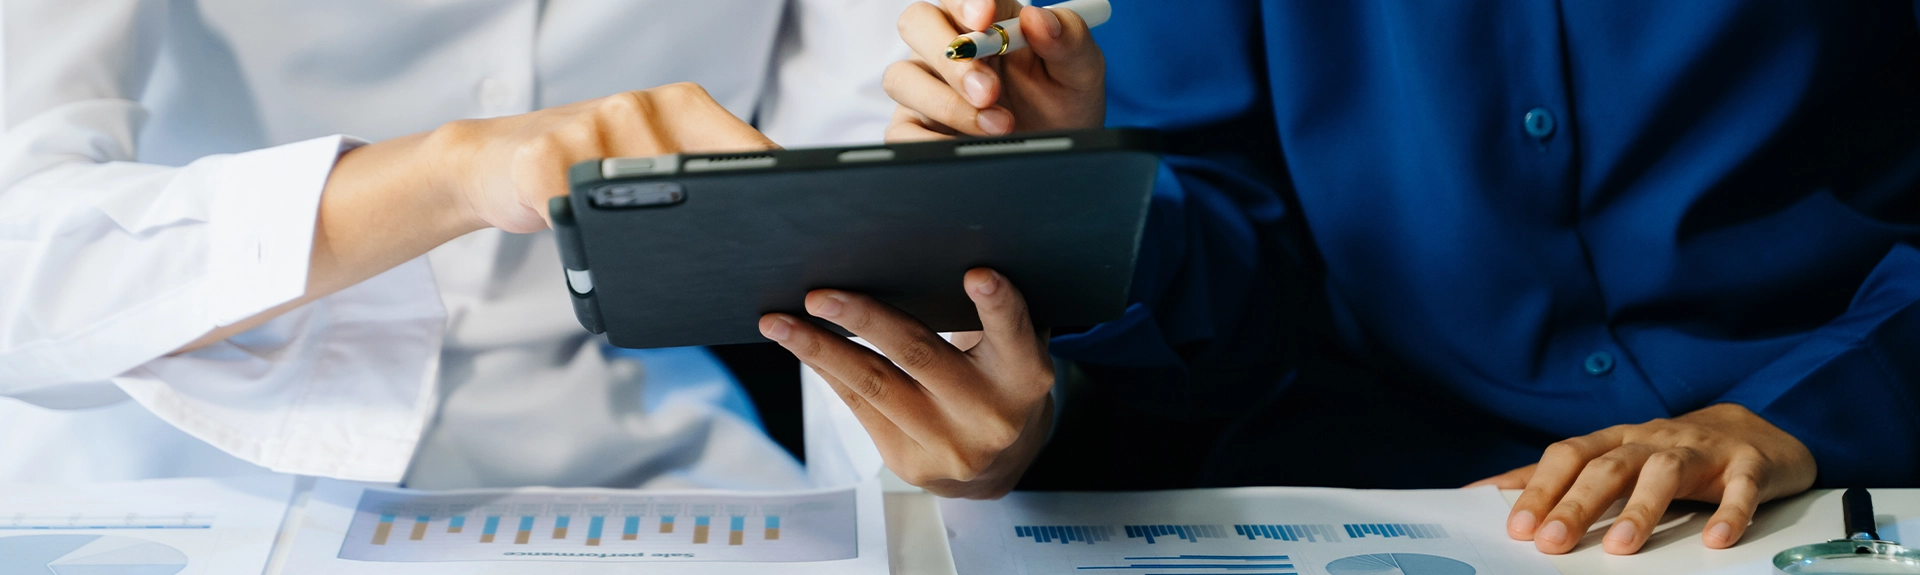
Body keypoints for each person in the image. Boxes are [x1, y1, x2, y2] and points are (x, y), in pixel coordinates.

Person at [763, 0, 1920, 558]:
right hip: (1388, 497)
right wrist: (1076, 189)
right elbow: (1231, 243)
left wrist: (1801, 412)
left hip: (1838, 478)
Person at [0, 0, 913, 488]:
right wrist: (450, 174)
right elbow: (20, 254)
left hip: (641, 461)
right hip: (175, 457)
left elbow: (867, 189)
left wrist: (917, 478)